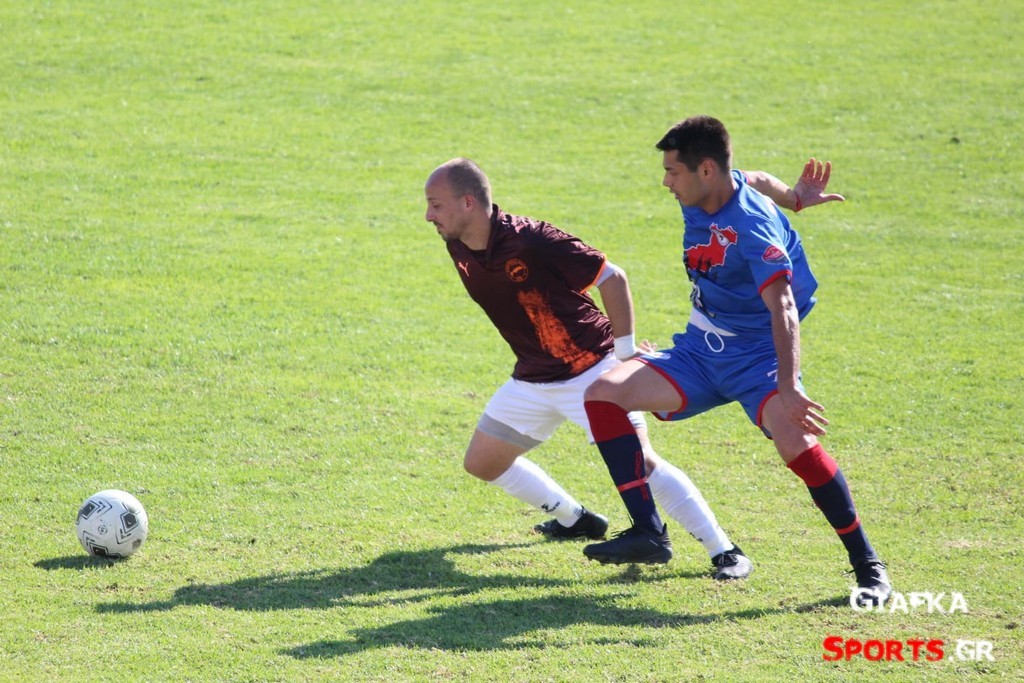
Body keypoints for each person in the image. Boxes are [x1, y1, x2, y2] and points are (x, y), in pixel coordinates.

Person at [580, 115, 892, 607]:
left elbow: (783, 307)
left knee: (797, 444)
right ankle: (647, 531)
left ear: (705, 170)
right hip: (699, 351)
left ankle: (868, 566)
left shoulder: (751, 225)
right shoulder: (710, 190)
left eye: (672, 172)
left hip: (757, 359)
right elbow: (757, 178)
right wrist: (793, 196)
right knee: (603, 395)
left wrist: (787, 385)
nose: (666, 183)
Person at [424, 157, 753, 580]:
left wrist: (625, 355)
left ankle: (725, 552)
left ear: (468, 202)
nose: (428, 215)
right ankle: (575, 518)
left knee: (642, 464)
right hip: (533, 378)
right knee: (483, 463)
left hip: (594, 371)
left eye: (436, 205)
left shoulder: (533, 240)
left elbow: (613, 279)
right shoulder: (457, 245)